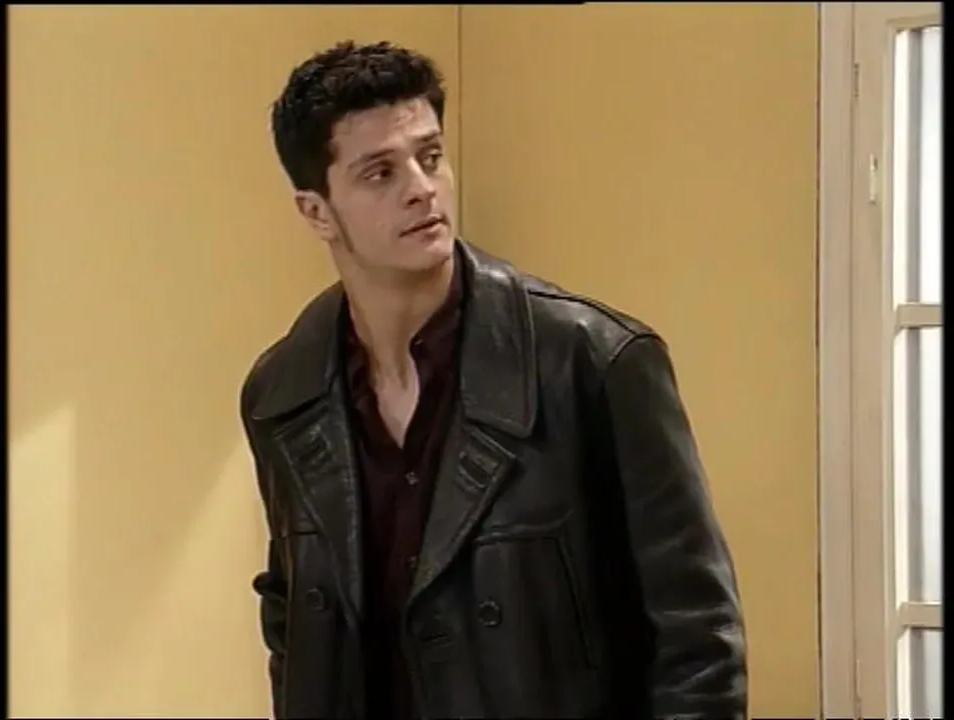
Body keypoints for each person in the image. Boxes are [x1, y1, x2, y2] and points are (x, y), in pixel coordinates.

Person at [241, 40, 747, 720]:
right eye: (380, 173)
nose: (421, 188)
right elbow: (292, 621)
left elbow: (698, 640)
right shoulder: (283, 394)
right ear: (316, 211)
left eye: (429, 157)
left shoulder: (594, 361)